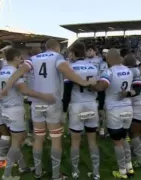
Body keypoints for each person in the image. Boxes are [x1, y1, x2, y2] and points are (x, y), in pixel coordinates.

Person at [0, 39, 96, 180]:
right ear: (56, 48)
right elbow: (67, 71)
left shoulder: (34, 58)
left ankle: (38, 172)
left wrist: (6, 87)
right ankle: (56, 176)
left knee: (38, 138)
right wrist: (84, 82)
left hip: (36, 104)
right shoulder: (57, 57)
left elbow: (19, 71)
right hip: (52, 102)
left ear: (46, 47)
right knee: (56, 139)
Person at [0, 48, 55, 180]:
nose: (21, 60)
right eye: (20, 58)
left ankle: (22, 167)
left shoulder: (0, 73)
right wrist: (44, 96)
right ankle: (7, 174)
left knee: (18, 139)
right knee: (16, 142)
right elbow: (25, 91)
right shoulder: (15, 73)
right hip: (15, 110)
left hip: (4, 110)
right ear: (16, 57)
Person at [90, 48, 141, 179]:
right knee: (124, 139)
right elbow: (137, 86)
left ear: (109, 59)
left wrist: (90, 85)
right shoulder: (129, 70)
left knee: (117, 142)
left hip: (114, 110)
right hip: (128, 109)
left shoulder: (109, 71)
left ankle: (122, 171)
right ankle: (129, 167)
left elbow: (101, 87)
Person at [62, 42, 100, 180]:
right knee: (92, 141)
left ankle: (75, 172)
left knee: (75, 141)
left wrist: (63, 110)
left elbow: (66, 92)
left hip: (76, 105)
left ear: (73, 53)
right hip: (91, 104)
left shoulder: (70, 68)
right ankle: (96, 173)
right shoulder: (93, 67)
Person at [86, 45, 108, 137]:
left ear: (95, 51)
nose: (88, 52)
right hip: (87, 88)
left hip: (98, 87)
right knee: (88, 108)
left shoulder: (100, 61)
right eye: (87, 50)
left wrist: (97, 84)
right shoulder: (83, 61)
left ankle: (101, 128)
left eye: (90, 50)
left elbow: (103, 73)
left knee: (100, 109)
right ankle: (89, 128)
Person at [23, 46, 43, 147]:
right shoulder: (45, 62)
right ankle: (39, 135)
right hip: (43, 93)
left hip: (33, 95)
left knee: (33, 115)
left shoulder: (28, 63)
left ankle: (32, 135)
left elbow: (24, 79)